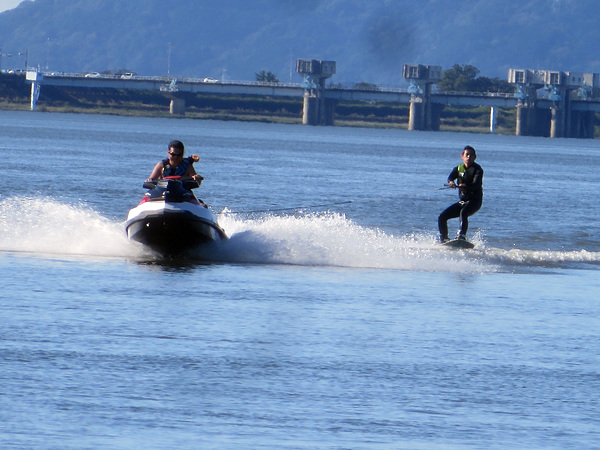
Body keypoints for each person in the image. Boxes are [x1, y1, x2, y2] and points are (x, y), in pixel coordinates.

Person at [438, 145, 483, 243]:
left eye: (471, 155)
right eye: (467, 155)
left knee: (464, 212)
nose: (469, 157)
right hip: (463, 201)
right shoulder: (458, 168)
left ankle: (462, 236)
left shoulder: (477, 170)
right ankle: (444, 239)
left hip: (475, 202)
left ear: (475, 157)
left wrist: (464, 186)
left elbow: (476, 185)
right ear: (462, 156)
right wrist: (451, 183)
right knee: (442, 216)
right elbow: (450, 178)